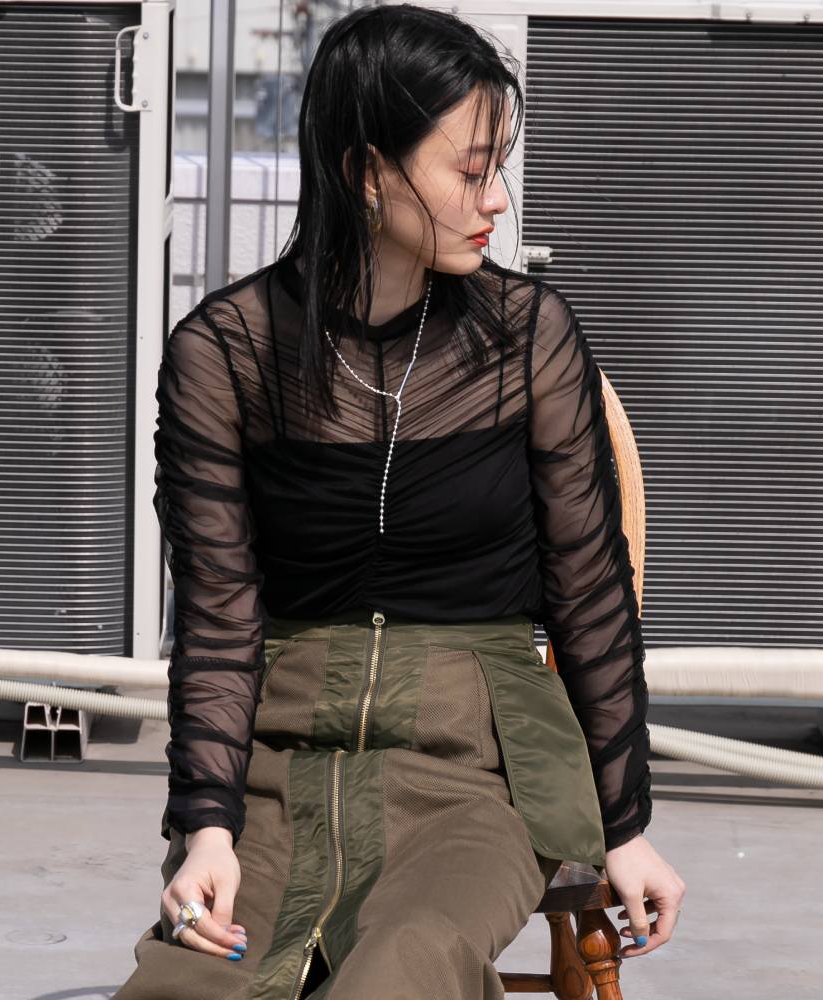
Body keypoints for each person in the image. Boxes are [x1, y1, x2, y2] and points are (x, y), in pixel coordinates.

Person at [112, 5, 686, 999]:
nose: (497, 200)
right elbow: (217, 613)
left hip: (480, 768)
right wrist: (206, 827)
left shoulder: (525, 339)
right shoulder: (224, 353)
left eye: (498, 168)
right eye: (471, 170)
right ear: (367, 172)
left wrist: (626, 823)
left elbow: (590, 593)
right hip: (276, 765)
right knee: (189, 987)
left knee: (404, 963)